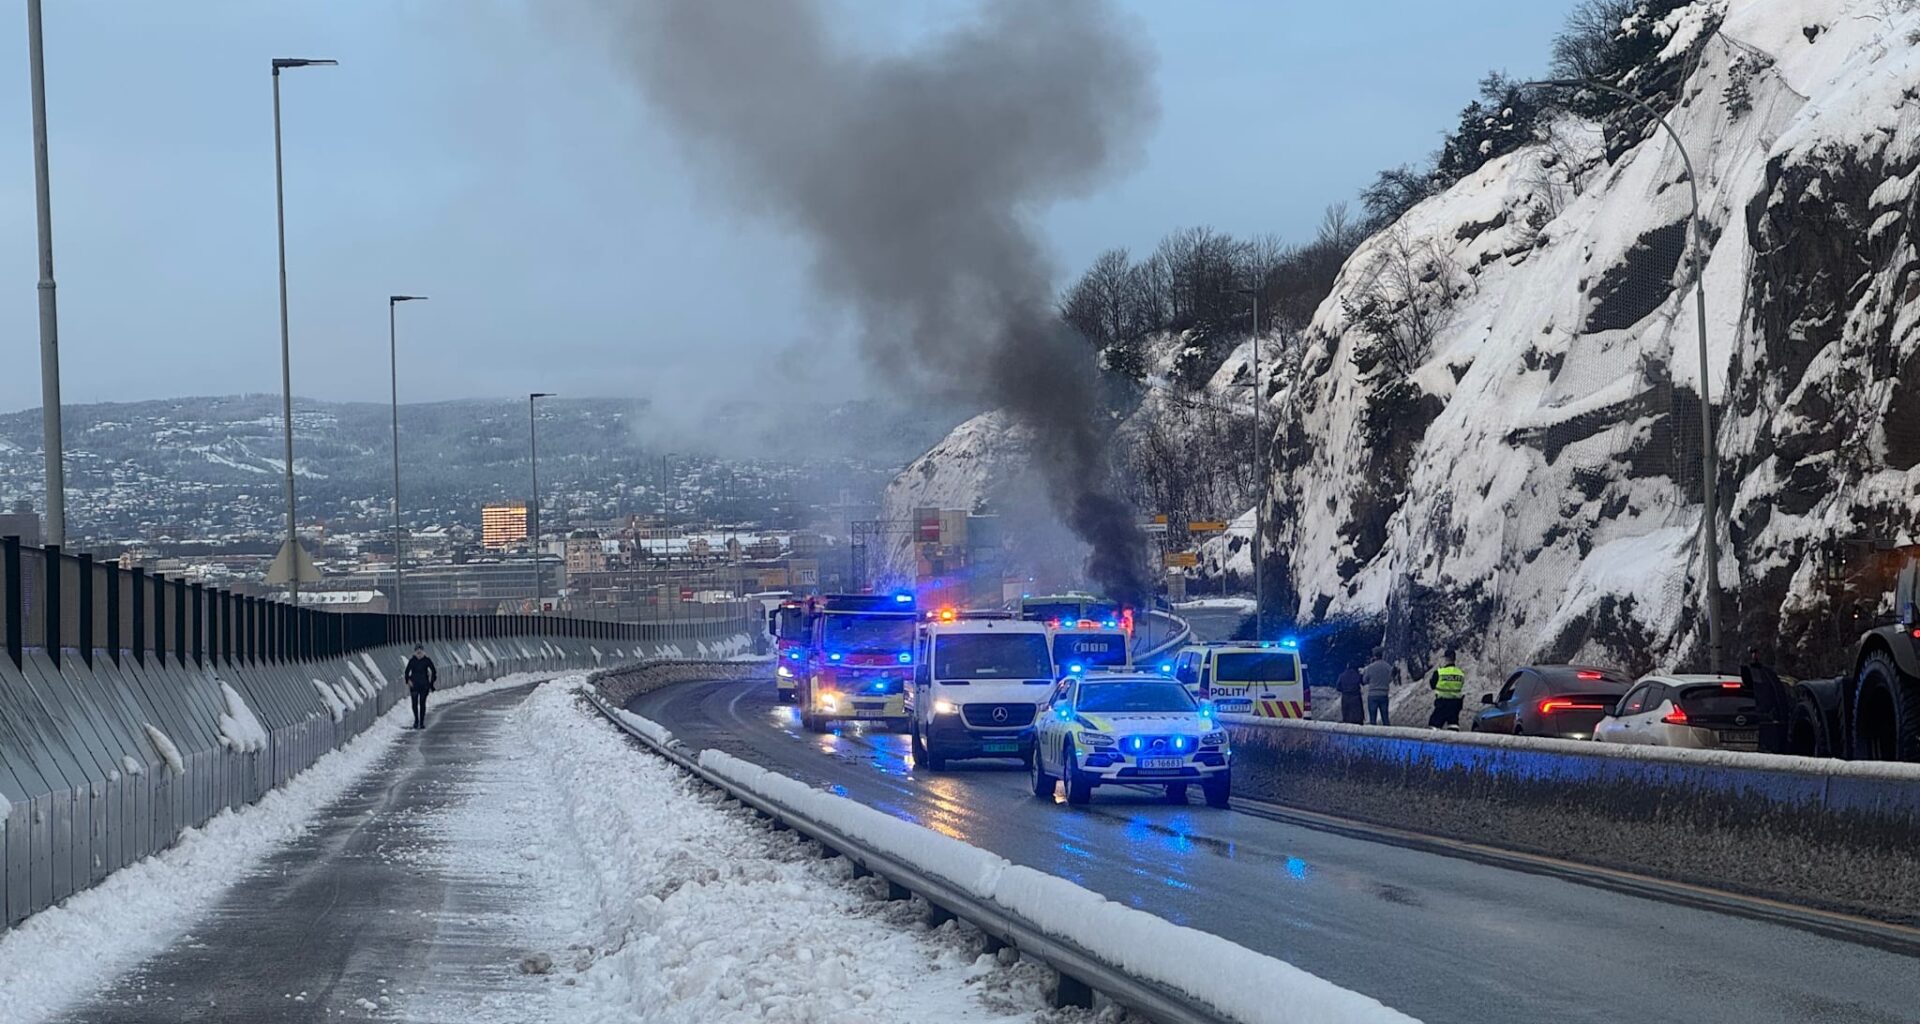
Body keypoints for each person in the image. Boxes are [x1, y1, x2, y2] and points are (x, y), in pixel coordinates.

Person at [1743, 647, 1792, 754]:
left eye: (1757, 653)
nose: (1755, 656)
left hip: (1768, 723)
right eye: (1753, 653)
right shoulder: (1753, 674)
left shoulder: (1767, 675)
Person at [1426, 648, 1466, 730]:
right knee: (1453, 726)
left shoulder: (1439, 672)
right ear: (1454, 659)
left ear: (1446, 659)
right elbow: (1461, 686)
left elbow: (1432, 685)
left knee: (1434, 726)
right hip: (1455, 705)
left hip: (1442, 704)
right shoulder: (1460, 674)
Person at [405, 644, 437, 730]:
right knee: (414, 703)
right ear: (415, 652)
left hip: (424, 685)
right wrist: (408, 680)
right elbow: (406, 672)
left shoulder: (426, 660)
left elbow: (433, 671)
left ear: (423, 651)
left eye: (420, 651)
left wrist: (431, 683)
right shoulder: (412, 661)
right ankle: (416, 720)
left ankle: (421, 722)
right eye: (417, 651)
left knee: (422, 703)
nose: (419, 652)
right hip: (414, 685)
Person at [1361, 649, 1395, 726]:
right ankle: (1388, 733)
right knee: (1385, 717)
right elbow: (1390, 679)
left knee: (1373, 719)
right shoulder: (1387, 666)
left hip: (1372, 695)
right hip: (1384, 694)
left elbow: (1364, 680)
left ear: (1374, 656)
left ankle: (1373, 735)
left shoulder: (1370, 667)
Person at [1334, 660, 1365, 725]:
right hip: (1356, 696)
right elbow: (1363, 682)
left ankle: (1347, 724)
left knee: (1347, 713)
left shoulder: (1342, 675)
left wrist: (1344, 690)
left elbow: (1337, 687)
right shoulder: (1357, 675)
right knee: (1357, 714)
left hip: (1346, 697)